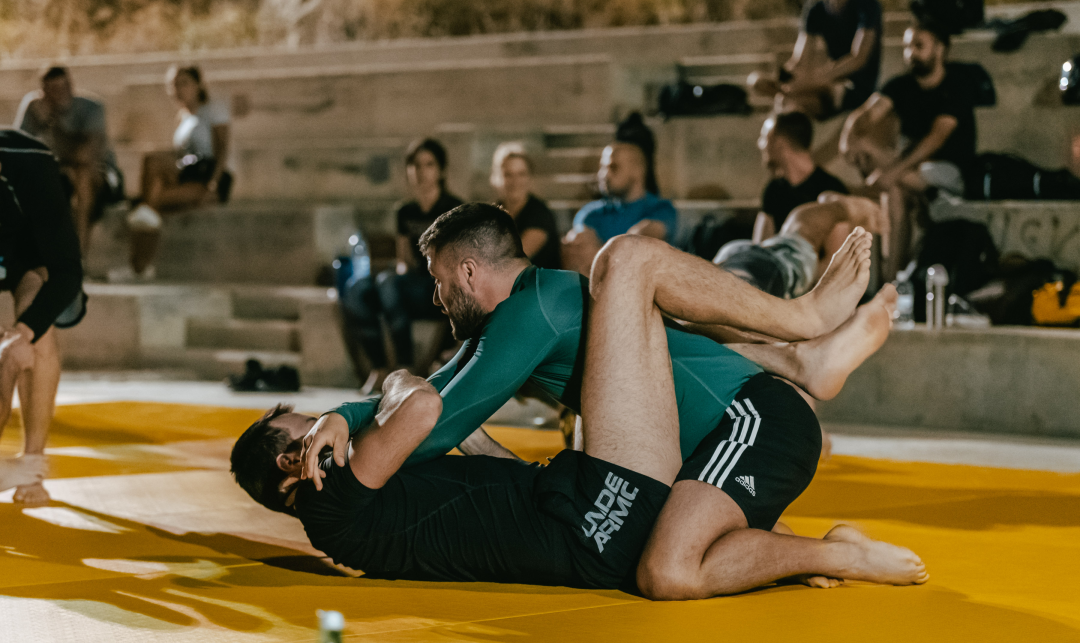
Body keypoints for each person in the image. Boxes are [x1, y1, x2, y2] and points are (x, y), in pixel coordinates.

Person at [232, 211, 926, 593]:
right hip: (598, 510)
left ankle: (798, 349)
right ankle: (799, 333)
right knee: (625, 267)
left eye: (442, 284)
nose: (436, 299)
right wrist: (366, 400)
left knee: (621, 289)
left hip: (600, 500)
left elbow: (459, 439)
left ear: (471, 271)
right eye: (308, 431)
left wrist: (348, 416)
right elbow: (424, 409)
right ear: (297, 460)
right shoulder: (332, 496)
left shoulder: (519, 325)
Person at [840, 22, 978, 278]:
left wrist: (893, 170)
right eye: (907, 47)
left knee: (892, 179)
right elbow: (868, 113)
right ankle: (892, 280)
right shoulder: (901, 85)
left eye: (919, 46)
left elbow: (935, 139)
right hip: (908, 172)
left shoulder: (957, 85)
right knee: (894, 190)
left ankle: (890, 279)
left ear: (940, 49)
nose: (910, 53)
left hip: (949, 172)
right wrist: (850, 135)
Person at [0, 130, 86, 506]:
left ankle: (33, 464)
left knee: (33, 336)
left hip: (28, 256)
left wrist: (22, 332)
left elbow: (67, 273)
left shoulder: (30, 164)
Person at [340, 138, 463, 395]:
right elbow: (404, 262)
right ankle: (380, 368)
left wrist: (395, 284)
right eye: (415, 165)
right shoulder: (404, 211)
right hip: (410, 285)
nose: (421, 171)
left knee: (388, 283)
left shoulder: (454, 208)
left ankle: (406, 368)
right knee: (356, 291)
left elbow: (455, 265)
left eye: (429, 164)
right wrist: (394, 285)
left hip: (439, 288)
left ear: (440, 171)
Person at [113, 65, 231, 282]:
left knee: (147, 205)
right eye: (174, 85)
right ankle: (140, 267)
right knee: (150, 208)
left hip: (206, 177)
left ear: (198, 85)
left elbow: (222, 148)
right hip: (185, 172)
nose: (178, 89)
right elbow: (181, 154)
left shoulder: (214, 109)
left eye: (184, 83)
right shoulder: (181, 117)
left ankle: (139, 268)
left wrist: (213, 184)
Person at [750, 0, 882, 122]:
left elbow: (858, 59)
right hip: (825, 88)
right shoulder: (815, 9)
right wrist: (780, 78)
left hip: (857, 90)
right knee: (766, 88)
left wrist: (820, 78)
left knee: (795, 97)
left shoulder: (867, 5)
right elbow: (800, 60)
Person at [14, 66, 125, 257]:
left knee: (81, 176)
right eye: (52, 90)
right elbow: (16, 148)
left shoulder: (92, 108)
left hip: (101, 176)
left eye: (63, 88)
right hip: (59, 174)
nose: (59, 95)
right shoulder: (34, 107)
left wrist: (51, 123)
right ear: (44, 92)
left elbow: (84, 155)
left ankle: (77, 259)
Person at [562, 113, 677, 276]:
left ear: (638, 170)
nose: (604, 175)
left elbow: (635, 249)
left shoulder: (660, 209)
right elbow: (577, 255)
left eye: (613, 167)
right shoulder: (590, 213)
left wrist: (596, 253)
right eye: (603, 167)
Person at [716, 193, 882, 301]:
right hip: (729, 258)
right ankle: (844, 208)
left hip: (752, 266)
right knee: (798, 231)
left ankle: (846, 208)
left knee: (800, 231)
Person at [753, 111, 848, 244]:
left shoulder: (832, 190)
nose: (759, 144)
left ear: (780, 143)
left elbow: (837, 256)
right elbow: (759, 249)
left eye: (764, 137)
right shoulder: (773, 190)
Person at [490, 142, 560, 269]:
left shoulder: (540, 214)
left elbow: (515, 259)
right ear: (496, 177)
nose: (515, 181)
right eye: (508, 174)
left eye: (521, 174)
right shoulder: (493, 212)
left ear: (529, 177)